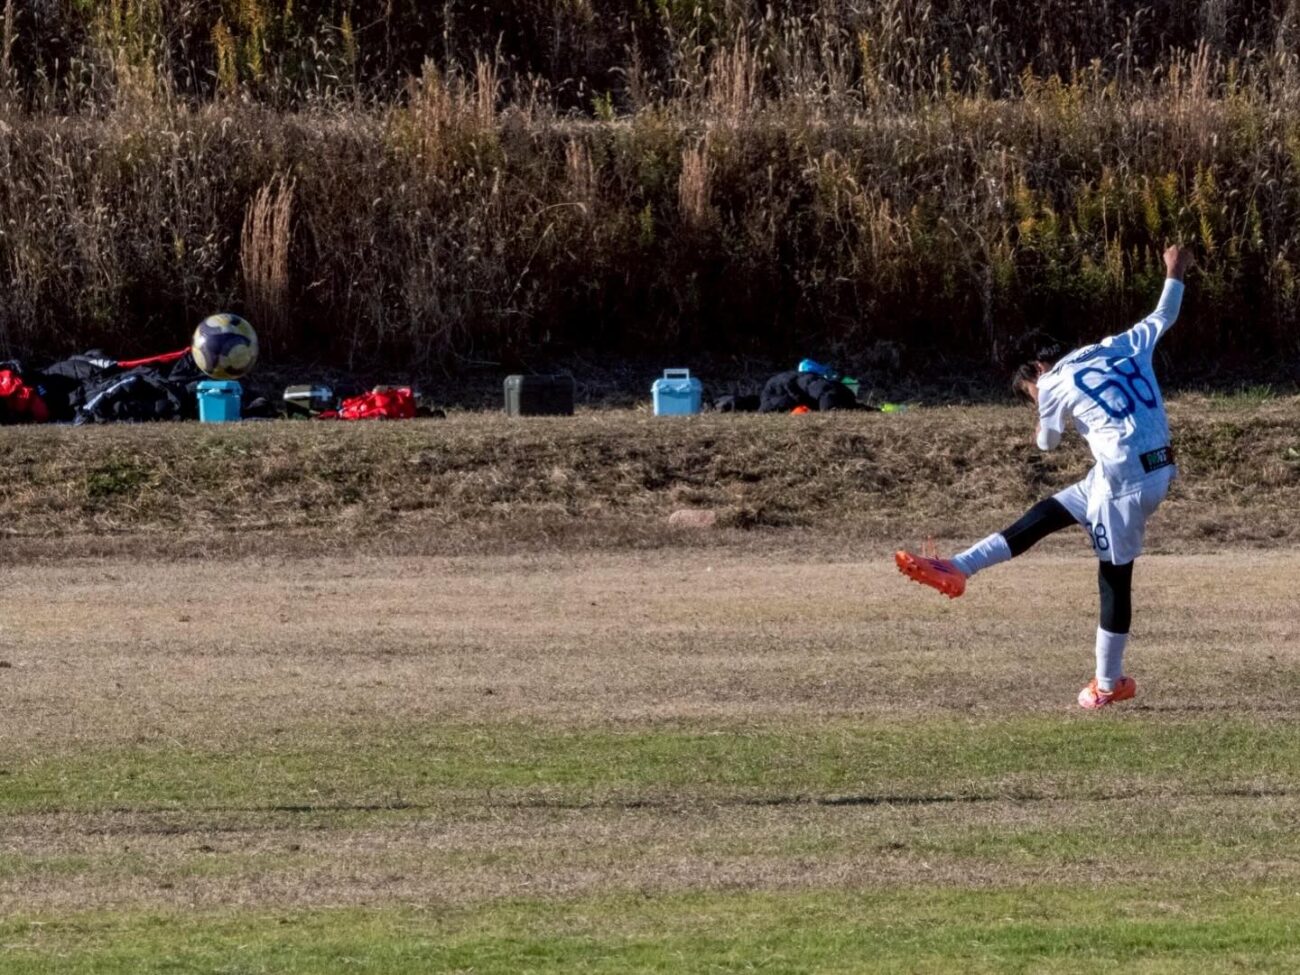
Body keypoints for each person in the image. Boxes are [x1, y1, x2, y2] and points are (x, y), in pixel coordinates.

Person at [895, 244, 1193, 709]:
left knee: (1114, 578)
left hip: (1124, 477)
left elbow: (1048, 444)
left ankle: (1107, 686)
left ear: (1037, 370)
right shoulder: (1118, 344)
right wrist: (1175, 269)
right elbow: (1164, 313)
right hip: (1152, 464)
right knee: (1053, 510)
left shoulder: (1051, 382)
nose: (1035, 399)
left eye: (1028, 394)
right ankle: (958, 566)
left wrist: (1041, 419)